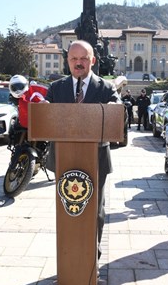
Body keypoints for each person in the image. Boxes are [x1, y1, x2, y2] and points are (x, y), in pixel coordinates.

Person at [45, 40, 122, 259]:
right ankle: (69, 252)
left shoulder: (106, 88)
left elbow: (116, 110)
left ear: (93, 60)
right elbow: (45, 114)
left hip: (96, 159)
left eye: (83, 59)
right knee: (68, 205)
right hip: (64, 159)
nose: (78, 63)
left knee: (95, 208)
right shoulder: (56, 88)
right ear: (67, 61)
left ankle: (92, 250)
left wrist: (114, 109)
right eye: (74, 59)